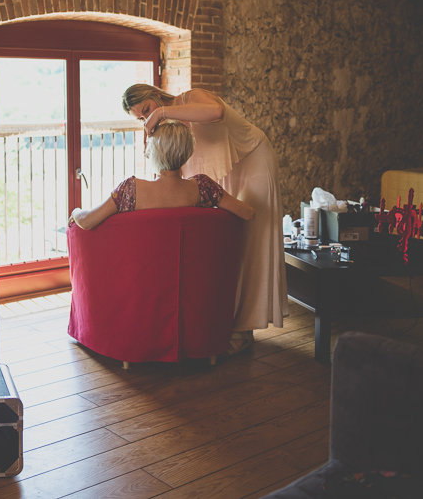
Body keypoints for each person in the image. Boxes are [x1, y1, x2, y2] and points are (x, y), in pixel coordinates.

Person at [121, 83, 288, 354]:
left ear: (154, 95)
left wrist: (162, 112)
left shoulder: (190, 98)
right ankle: (233, 322)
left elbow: (215, 111)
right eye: (141, 118)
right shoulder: (172, 123)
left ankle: (244, 328)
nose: (147, 119)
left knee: (253, 242)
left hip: (253, 159)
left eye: (146, 110)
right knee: (232, 242)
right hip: (230, 170)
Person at [69, 121, 254, 230]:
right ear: (188, 151)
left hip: (143, 278)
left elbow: (86, 222)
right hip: (192, 281)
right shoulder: (205, 188)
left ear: (153, 153)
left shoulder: (130, 190)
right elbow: (247, 212)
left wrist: (76, 211)